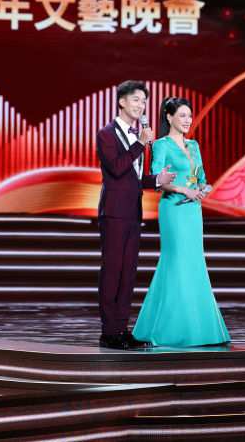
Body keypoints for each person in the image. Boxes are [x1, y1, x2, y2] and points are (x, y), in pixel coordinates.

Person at [133, 97, 230, 347]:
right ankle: (167, 329)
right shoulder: (161, 145)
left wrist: (202, 189)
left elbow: (201, 177)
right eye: (182, 115)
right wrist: (182, 189)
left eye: (189, 115)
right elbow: (158, 179)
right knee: (174, 262)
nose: (187, 120)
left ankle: (198, 328)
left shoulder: (194, 145)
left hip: (193, 211)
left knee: (194, 263)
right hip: (173, 209)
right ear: (169, 117)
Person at [95, 80, 174, 350]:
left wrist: (157, 180)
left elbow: (134, 179)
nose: (141, 105)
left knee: (128, 273)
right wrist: (140, 144)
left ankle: (121, 329)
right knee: (113, 271)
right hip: (114, 213)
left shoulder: (136, 136)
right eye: (136, 100)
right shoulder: (106, 134)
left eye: (144, 101)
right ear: (122, 102)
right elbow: (117, 168)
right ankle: (108, 332)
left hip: (133, 212)